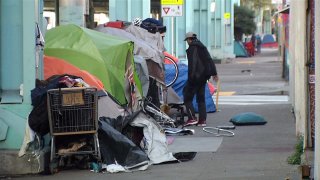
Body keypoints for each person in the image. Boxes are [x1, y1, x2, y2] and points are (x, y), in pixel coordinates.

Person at [183, 32, 219, 127]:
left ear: (189, 39)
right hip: (203, 77)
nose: (187, 42)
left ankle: (192, 118)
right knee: (201, 99)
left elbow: (193, 64)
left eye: (187, 40)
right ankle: (202, 120)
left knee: (187, 97)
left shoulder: (192, 48)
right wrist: (214, 73)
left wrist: (191, 77)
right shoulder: (202, 46)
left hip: (195, 77)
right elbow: (209, 59)